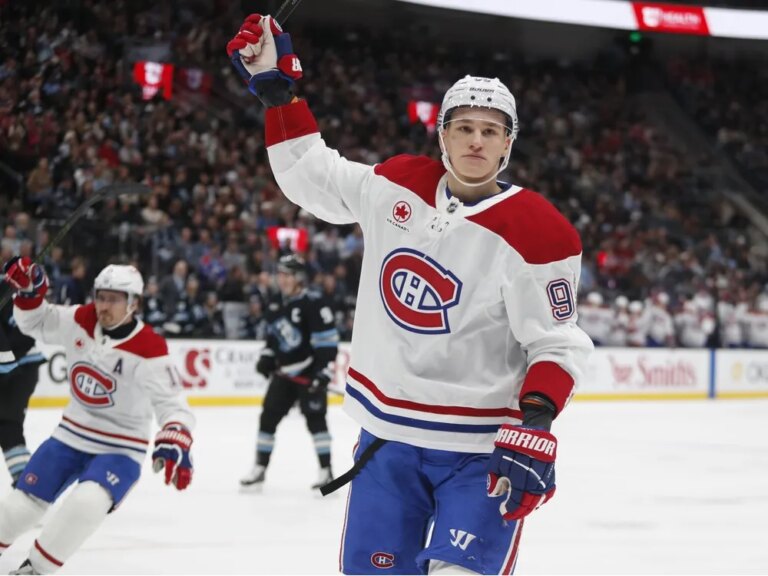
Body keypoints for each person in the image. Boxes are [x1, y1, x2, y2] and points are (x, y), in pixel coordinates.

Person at [227, 15, 593, 575]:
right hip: (387, 441)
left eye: (490, 130)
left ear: (507, 144)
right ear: (441, 133)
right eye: (463, 126)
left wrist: (536, 425)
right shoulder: (397, 184)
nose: (475, 139)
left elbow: (557, 344)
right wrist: (280, 95)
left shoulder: (540, 231)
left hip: (480, 451)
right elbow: (313, 174)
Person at [0, 259, 195, 575]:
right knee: (20, 506)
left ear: (134, 304)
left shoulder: (150, 348)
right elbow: (34, 322)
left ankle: (33, 570)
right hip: (70, 435)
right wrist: (30, 293)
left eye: (114, 299)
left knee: (87, 504)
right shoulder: (81, 318)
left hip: (121, 447)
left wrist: (176, 433)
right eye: (101, 296)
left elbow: (174, 406)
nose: (104, 306)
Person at [240, 254, 339, 491]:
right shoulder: (276, 303)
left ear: (299, 278)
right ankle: (260, 468)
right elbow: (272, 339)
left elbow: (327, 344)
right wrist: (267, 358)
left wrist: (323, 372)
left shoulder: (314, 303)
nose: (282, 280)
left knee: (316, 422)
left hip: (308, 374)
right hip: (284, 376)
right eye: (280, 274)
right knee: (267, 418)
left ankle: (326, 471)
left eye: (287, 275)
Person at [0, 265, 46, 487]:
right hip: (10, 367)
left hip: (20, 369)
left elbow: (25, 336)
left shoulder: (7, 290)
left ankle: (28, 485)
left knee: (8, 425)